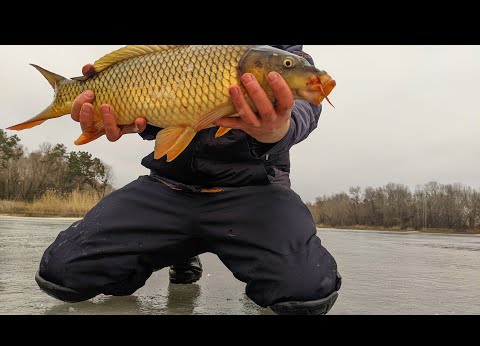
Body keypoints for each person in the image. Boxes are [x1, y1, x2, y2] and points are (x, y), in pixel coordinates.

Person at [35, 45, 342, 315]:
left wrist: (279, 130)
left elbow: (307, 108)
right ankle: (180, 250)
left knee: (306, 291)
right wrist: (130, 117)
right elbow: (164, 108)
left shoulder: (282, 55)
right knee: (61, 272)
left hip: (254, 191)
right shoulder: (183, 51)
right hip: (170, 187)